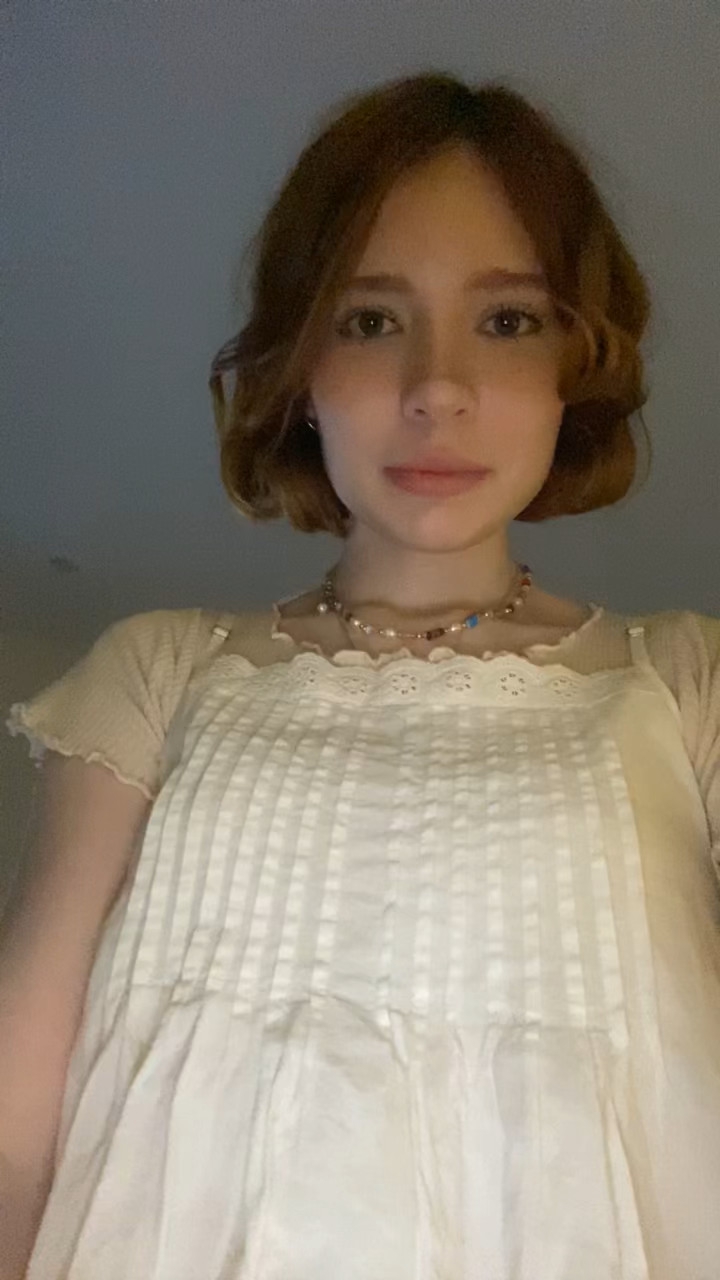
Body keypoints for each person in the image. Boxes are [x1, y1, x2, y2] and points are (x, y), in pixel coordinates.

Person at [2, 71, 719, 1280]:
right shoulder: (158, 668)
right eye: (372, 320)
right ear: (300, 366)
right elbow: (17, 1112)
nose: (437, 387)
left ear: (575, 360)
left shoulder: (689, 682)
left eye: (508, 320)